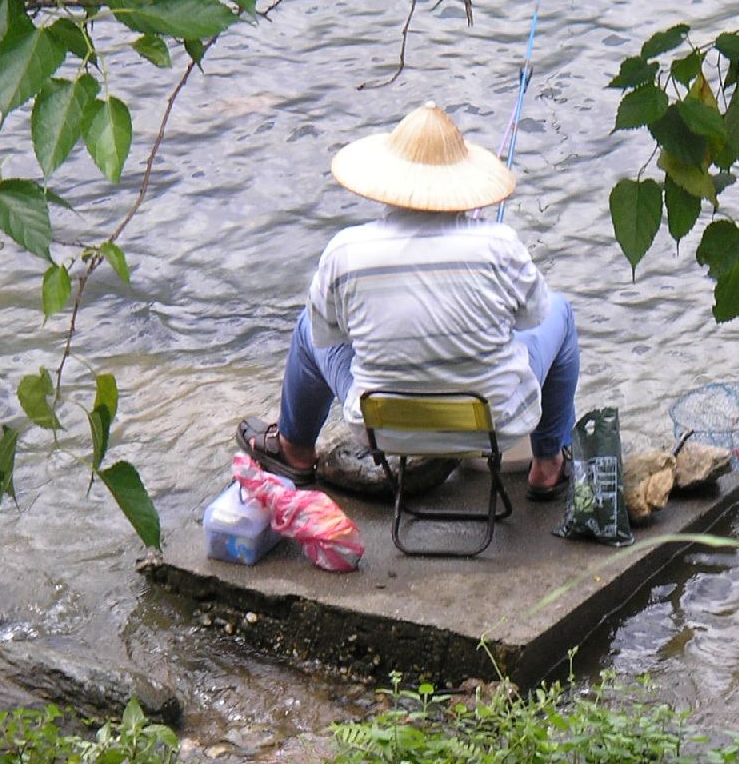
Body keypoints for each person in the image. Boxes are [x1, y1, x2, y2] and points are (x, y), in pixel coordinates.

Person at [241, 100, 579, 501]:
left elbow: (324, 332)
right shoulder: (499, 245)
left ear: (390, 183)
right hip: (495, 423)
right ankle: (547, 464)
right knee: (561, 312)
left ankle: (295, 450)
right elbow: (533, 317)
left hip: (381, 428)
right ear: (463, 184)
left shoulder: (345, 250)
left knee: (306, 328)